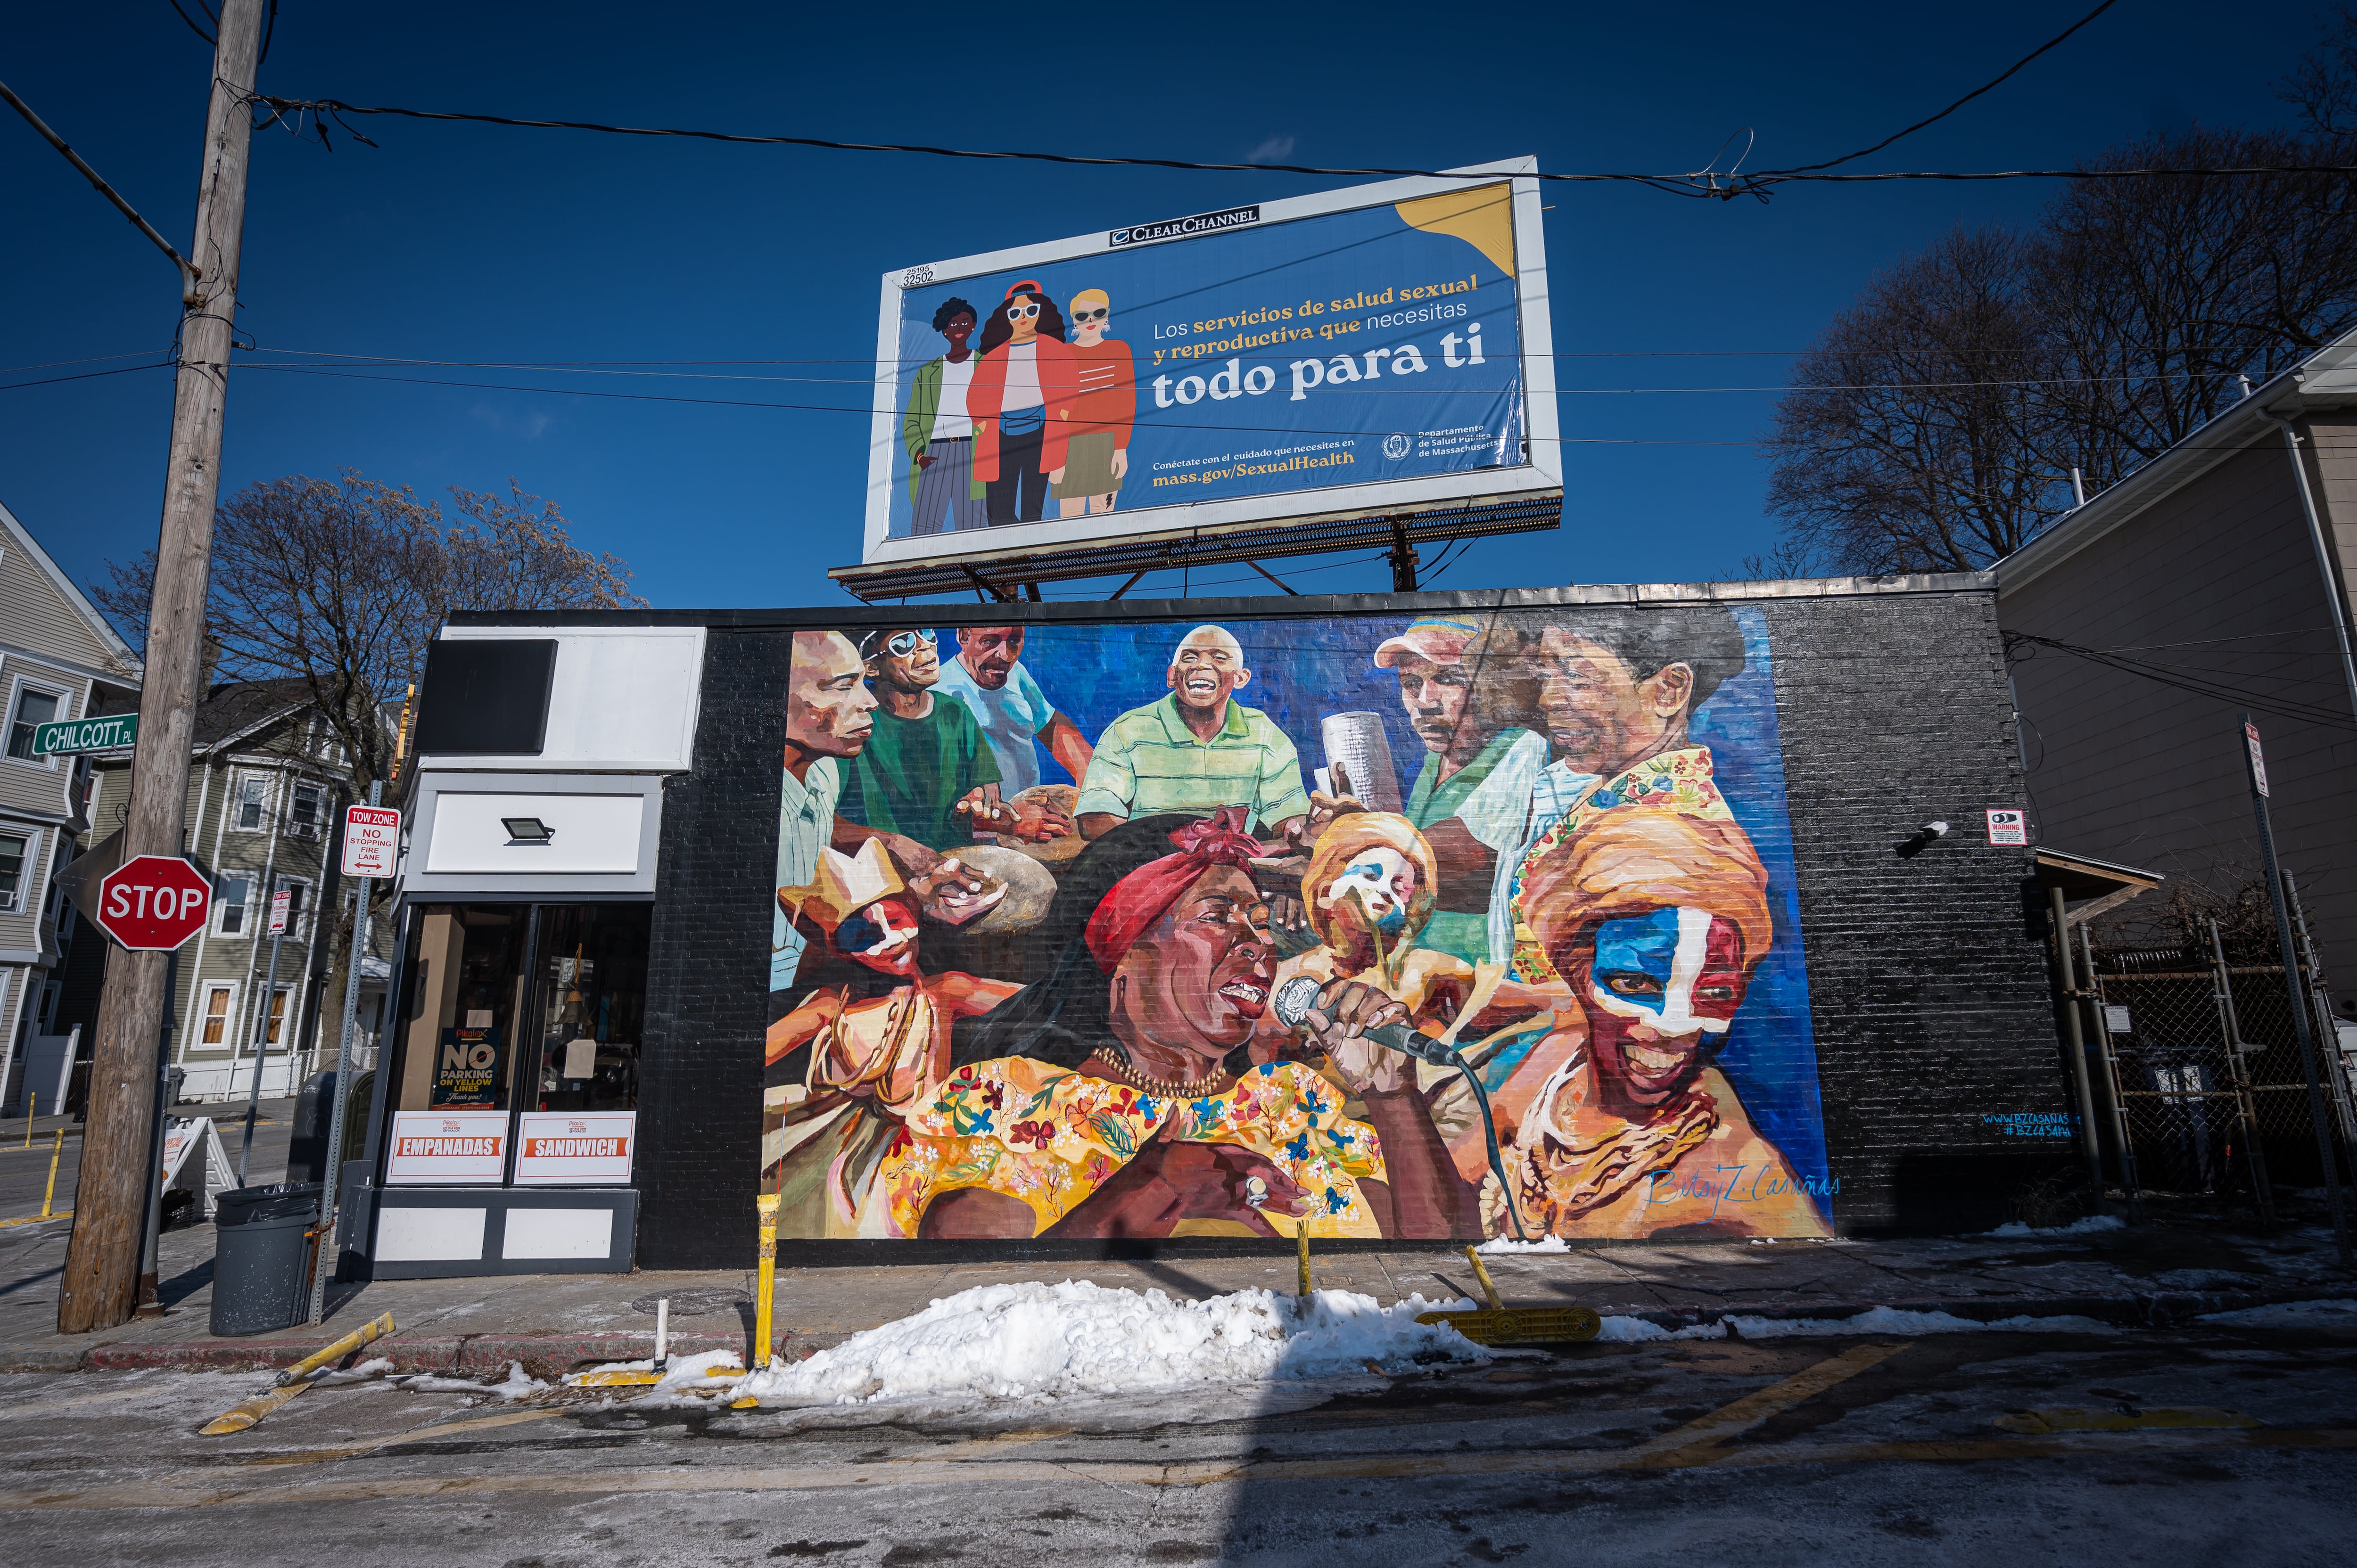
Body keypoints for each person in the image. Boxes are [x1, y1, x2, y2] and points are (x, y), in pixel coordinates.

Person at [877, 811, 1475, 1239]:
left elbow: (1444, 1274)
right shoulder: (1007, 1103)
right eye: (1217, 917)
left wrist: (1393, 1095)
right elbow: (972, 1307)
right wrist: (1156, 1186)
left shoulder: (1295, 1105)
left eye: (1261, 922)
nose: (1257, 944)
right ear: (1121, 959)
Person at [1496, 809, 1829, 1240]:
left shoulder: (1738, 1172)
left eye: (1713, 994)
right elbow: (1451, 1193)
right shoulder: (1556, 1061)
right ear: (1580, 974)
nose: (1674, 1026)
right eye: (1633, 982)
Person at [1266, 813, 1566, 1188]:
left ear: (1412, 910)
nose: (1383, 893)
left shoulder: (1430, 972)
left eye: (1399, 887)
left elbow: (1546, 1004)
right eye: (1371, 876)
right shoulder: (1287, 979)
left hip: (1412, 1145)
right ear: (1327, 889)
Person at [1454, 607, 1748, 983]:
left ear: (1669, 690)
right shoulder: (1585, 785)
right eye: (1547, 675)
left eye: (1576, 676)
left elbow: (1606, 1006)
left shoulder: (1674, 839)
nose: (1547, 699)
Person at [764, 839, 1023, 1236]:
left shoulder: (945, 992)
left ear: (914, 913)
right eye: (864, 935)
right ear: (844, 950)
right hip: (833, 1165)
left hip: (922, 1158)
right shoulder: (834, 1004)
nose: (890, 941)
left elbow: (1035, 1001)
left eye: (897, 920)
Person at [777, 630, 992, 999]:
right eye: (843, 686)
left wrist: (914, 898)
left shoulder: (822, 775)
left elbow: (819, 923)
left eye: (861, 683)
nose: (868, 702)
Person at [1371, 616, 1540, 964]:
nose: (1425, 700)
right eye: (1411, 683)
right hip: (1417, 970)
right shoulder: (1434, 764)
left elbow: (1466, 852)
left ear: (1491, 686)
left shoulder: (1521, 748)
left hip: (1474, 975)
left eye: (1447, 679)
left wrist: (1354, 842)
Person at [837, 627, 1064, 853]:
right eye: (903, 643)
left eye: (926, 634)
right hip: (881, 875)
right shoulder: (856, 726)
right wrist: (893, 845)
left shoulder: (957, 713)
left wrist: (984, 807)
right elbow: (825, 822)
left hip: (955, 866)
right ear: (872, 667)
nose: (925, 647)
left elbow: (987, 799)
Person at [1075, 625, 1311, 840]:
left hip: (1232, 870)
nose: (1202, 665)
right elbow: (1094, 820)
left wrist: (1295, 827)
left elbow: (1288, 818)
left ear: (1241, 678)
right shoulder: (1127, 731)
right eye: (1190, 658)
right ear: (1172, 676)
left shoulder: (1265, 735)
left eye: (1219, 657)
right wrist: (1162, 851)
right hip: (1149, 870)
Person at [932, 625, 1094, 800]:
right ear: (964, 636)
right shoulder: (937, 693)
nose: (1006, 655)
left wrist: (1093, 781)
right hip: (987, 823)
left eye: (1014, 641)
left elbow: (1051, 726)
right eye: (990, 641)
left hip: (1031, 818)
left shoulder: (1016, 673)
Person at [968, 281, 1080, 527]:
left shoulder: (1054, 349)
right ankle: (1007, 551)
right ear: (1007, 317)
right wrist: (982, 423)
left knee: (1033, 506)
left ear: (1040, 313)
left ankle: (1030, 551)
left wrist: (1063, 412)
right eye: (1016, 313)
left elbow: (1070, 381)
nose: (1023, 318)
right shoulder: (995, 355)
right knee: (998, 512)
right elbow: (975, 394)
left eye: (1030, 311)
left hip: (1041, 432)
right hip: (1001, 434)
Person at [902, 297, 987, 536]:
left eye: (964, 322)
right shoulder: (928, 372)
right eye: (952, 324)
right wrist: (919, 456)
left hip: (972, 451)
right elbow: (911, 421)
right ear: (944, 330)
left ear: (973, 326)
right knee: (923, 533)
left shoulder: (985, 365)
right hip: (934, 453)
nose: (958, 328)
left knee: (973, 532)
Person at [1055, 287, 1134, 518]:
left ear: (1107, 316)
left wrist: (1121, 449)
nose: (1090, 320)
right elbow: (1055, 408)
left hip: (1107, 441)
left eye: (1098, 313)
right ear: (1074, 321)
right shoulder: (1063, 354)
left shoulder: (1119, 349)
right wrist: (1056, 457)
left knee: (1104, 516)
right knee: (1069, 519)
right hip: (1070, 444)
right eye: (1082, 316)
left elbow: (1127, 402)